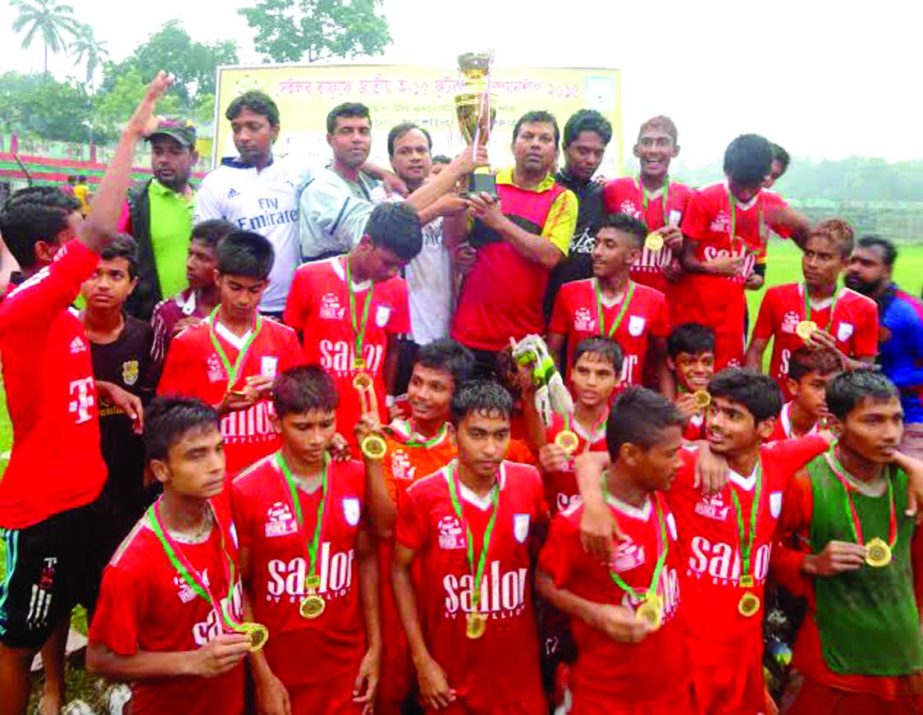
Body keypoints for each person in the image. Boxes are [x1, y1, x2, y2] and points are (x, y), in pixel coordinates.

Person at [0, 74, 167, 715]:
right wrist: (130, 134)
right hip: (38, 509)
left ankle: (61, 683)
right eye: (75, 239)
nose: (90, 251)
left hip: (84, 494)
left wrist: (100, 386)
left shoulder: (59, 314)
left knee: (71, 599)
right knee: (16, 639)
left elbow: (55, 374)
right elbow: (103, 225)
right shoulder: (29, 305)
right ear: (47, 252)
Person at [577, 368, 831, 714]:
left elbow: (843, 436)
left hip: (744, 646)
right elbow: (591, 460)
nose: (716, 423)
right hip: (688, 647)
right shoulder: (684, 463)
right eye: (713, 410)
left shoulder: (779, 461)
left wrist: (911, 465)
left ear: (766, 428)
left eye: (732, 415)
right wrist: (594, 507)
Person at [393, 380, 549, 713]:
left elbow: (543, 559)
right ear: (452, 433)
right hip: (450, 680)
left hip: (518, 677)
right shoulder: (423, 496)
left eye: (500, 434)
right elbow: (399, 568)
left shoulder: (528, 482)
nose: (491, 448)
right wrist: (422, 660)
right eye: (477, 434)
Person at [231, 366, 380, 714]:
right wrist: (262, 674)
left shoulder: (354, 476)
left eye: (326, 425)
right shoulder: (246, 489)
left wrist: (375, 649)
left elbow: (367, 560)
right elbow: (240, 588)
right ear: (275, 422)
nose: (316, 439)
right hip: (282, 669)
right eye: (303, 427)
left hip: (347, 665)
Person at [87, 397, 249, 714]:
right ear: (161, 470)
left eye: (219, 448)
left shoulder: (223, 498)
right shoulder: (132, 565)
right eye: (196, 456)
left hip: (229, 700)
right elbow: (99, 658)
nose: (216, 464)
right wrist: (194, 661)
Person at [772, 370, 923, 713]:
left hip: (906, 662)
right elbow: (760, 556)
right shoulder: (805, 484)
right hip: (832, 665)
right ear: (836, 426)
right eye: (873, 421)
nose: (890, 434)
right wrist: (808, 563)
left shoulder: (912, 484)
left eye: (896, 420)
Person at [537, 387, 694, 713]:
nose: (680, 463)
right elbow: (543, 580)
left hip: (673, 686)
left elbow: (592, 460)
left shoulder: (662, 488)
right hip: (608, 696)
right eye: (670, 454)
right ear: (632, 454)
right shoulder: (576, 524)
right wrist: (594, 614)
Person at [361, 338, 474, 715]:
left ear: (457, 394)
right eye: (417, 381)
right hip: (394, 588)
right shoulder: (386, 443)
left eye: (436, 387)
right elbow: (384, 527)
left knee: (447, 692)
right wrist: (373, 459)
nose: (421, 394)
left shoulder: (467, 449)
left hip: (447, 591)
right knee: (392, 689)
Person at [158, 230, 303, 476]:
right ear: (217, 278)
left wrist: (281, 388)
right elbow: (168, 420)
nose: (243, 299)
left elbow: (303, 407)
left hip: (270, 476)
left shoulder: (285, 338)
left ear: (266, 285)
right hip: (211, 476)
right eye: (235, 287)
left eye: (254, 290)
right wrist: (220, 408)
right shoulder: (188, 342)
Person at [450, 110, 578, 377]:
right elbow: (453, 238)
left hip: (522, 343)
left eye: (545, 139)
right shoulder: (485, 181)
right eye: (527, 136)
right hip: (468, 335)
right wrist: (459, 192)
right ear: (512, 144)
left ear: (556, 151)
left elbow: (550, 256)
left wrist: (499, 223)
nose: (535, 144)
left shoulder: (563, 198)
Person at [284, 202, 420, 450]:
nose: (392, 272)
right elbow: (292, 344)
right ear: (366, 242)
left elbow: (392, 348)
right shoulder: (309, 277)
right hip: (319, 413)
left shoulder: (397, 288)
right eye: (387, 262)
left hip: (370, 413)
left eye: (400, 266)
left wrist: (388, 400)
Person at [676, 134, 811, 369]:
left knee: (726, 388)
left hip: (732, 318)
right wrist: (711, 268)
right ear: (727, 172)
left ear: (766, 177)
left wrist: (758, 278)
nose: (747, 193)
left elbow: (810, 241)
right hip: (693, 313)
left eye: (755, 185)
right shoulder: (706, 198)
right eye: (740, 185)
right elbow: (685, 258)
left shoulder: (772, 204)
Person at [298, 104, 482, 264]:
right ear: (330, 140)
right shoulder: (321, 188)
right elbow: (375, 230)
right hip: (330, 291)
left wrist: (381, 172)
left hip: (367, 293)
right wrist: (454, 171)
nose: (357, 138)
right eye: (346, 131)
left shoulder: (369, 181)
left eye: (363, 131)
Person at [194, 91, 302, 318]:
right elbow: (206, 252)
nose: (243, 136)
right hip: (241, 309)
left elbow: (339, 167)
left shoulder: (297, 173)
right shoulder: (216, 183)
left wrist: (382, 173)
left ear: (275, 130)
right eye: (236, 128)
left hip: (292, 307)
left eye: (253, 127)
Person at [80, 234, 156, 545]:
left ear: (132, 284)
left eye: (115, 275)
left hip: (127, 471)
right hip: (76, 471)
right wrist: (103, 388)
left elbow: (151, 400)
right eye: (93, 273)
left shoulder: (143, 335)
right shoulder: (63, 332)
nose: (102, 284)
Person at [747, 219, 878, 396]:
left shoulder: (864, 307)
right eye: (809, 254)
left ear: (844, 264)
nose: (812, 263)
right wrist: (759, 396)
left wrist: (839, 358)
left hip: (830, 410)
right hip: (784, 408)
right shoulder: (777, 296)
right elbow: (755, 351)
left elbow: (868, 370)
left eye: (824, 257)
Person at [548, 212, 671, 393]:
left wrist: (668, 412)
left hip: (625, 413)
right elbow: (553, 353)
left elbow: (663, 361)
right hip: (576, 410)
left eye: (609, 245)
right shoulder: (569, 293)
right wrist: (557, 401)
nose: (597, 252)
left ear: (632, 256)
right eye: (596, 243)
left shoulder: (654, 301)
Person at [385, 122, 467, 366]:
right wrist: (439, 208)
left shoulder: (444, 194)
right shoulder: (385, 196)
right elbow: (393, 231)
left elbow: (452, 240)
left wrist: (459, 198)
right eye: (405, 151)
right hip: (406, 326)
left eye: (421, 150)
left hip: (443, 315)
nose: (415, 157)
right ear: (391, 160)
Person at [525, 336, 622, 515]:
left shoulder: (625, 429)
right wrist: (542, 465)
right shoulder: (549, 421)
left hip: (603, 531)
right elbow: (529, 485)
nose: (591, 382)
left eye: (602, 374)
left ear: (618, 379)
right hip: (555, 530)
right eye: (583, 371)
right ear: (571, 373)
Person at [846, 235, 923, 460]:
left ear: (887, 271)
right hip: (861, 415)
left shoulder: (908, 314)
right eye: (852, 261)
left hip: (910, 420)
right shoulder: (848, 305)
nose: (855, 269)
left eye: (867, 263)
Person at [602, 116, 693, 295]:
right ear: (636, 150)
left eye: (662, 143)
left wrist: (680, 251)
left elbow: (693, 258)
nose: (653, 150)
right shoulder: (612, 190)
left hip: (667, 299)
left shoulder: (688, 197)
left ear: (675, 150)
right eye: (647, 142)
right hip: (619, 297)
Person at [120, 120, 199, 320]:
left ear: (194, 157)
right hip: (148, 319)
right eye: (157, 151)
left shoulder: (207, 201)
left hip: (199, 321)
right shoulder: (134, 202)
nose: (164, 159)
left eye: (174, 152)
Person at [544, 109, 613, 318]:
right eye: (583, 151)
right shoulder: (545, 190)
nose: (590, 160)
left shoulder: (607, 195)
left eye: (598, 153)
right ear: (564, 149)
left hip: (587, 311)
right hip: (542, 305)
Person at [150, 218, 236, 372]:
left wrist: (210, 335)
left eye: (203, 258)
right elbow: (152, 379)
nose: (190, 264)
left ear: (225, 265)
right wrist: (177, 344)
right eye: (190, 253)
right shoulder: (168, 312)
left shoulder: (245, 312)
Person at [768, 347, 840, 442]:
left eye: (832, 386)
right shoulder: (764, 426)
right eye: (817, 385)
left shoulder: (838, 432)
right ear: (793, 387)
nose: (826, 395)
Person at [667, 322, 716, 442]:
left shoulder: (724, 401)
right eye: (689, 362)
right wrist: (676, 424)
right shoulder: (664, 407)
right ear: (672, 362)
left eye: (707, 362)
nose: (700, 370)